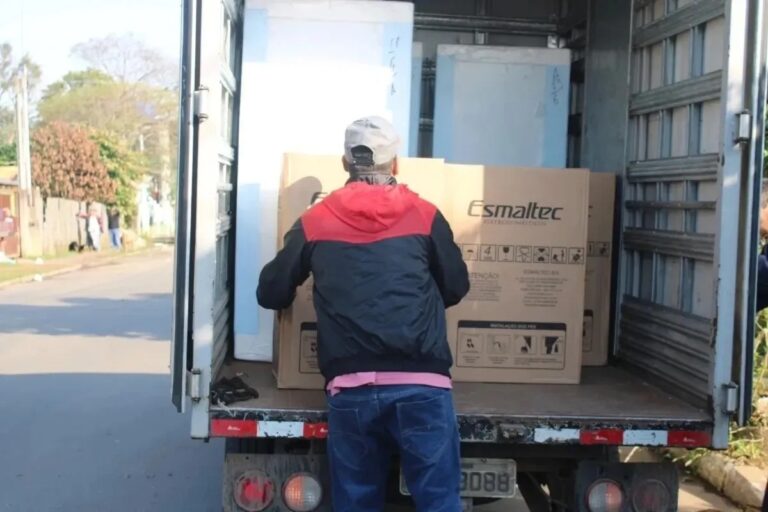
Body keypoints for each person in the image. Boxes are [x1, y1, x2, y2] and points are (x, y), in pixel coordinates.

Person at [257, 116, 470, 511]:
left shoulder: (316, 220)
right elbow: (457, 287)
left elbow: (270, 293)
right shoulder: (425, 215)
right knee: (440, 502)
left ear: (345, 163)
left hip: (351, 388)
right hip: (423, 385)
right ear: (396, 164)